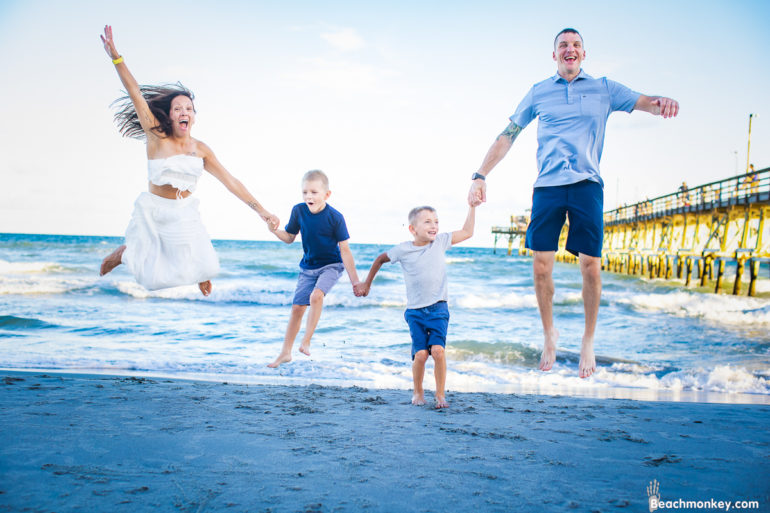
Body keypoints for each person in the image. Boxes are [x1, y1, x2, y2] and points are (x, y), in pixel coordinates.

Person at [467, 28, 679, 378]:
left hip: (587, 185)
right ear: (555, 56)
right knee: (540, 266)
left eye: (576, 45)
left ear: (584, 53)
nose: (570, 49)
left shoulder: (605, 89)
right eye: (563, 45)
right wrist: (480, 174)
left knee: (591, 266)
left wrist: (662, 103)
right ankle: (549, 333)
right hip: (548, 186)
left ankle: (588, 340)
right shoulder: (539, 92)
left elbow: (646, 102)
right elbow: (508, 135)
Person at [98, 26, 278, 296]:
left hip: (184, 212)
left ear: (194, 116)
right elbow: (135, 92)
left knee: (208, 265)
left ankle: (199, 273)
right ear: (169, 116)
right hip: (156, 211)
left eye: (189, 109)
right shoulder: (157, 137)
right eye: (178, 108)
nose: (184, 112)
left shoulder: (201, 149)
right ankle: (123, 255)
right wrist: (116, 56)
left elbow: (230, 181)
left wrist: (261, 211)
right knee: (152, 279)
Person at [358, 204, 476, 408]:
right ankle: (418, 392)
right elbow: (379, 260)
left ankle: (440, 395)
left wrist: (472, 207)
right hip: (415, 312)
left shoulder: (440, 242)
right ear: (413, 229)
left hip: (439, 308)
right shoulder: (403, 249)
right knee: (421, 355)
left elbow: (467, 232)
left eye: (436, 221)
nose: (434, 226)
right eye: (428, 222)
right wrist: (367, 283)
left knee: (438, 351)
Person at [267, 170, 362, 368]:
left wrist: (355, 282)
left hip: (331, 266)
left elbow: (345, 250)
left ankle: (306, 341)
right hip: (308, 267)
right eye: (305, 192)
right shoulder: (299, 211)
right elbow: (289, 238)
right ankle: (285, 352)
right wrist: (274, 229)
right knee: (297, 308)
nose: (309, 196)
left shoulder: (335, 217)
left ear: (326, 195)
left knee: (316, 296)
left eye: (314, 192)